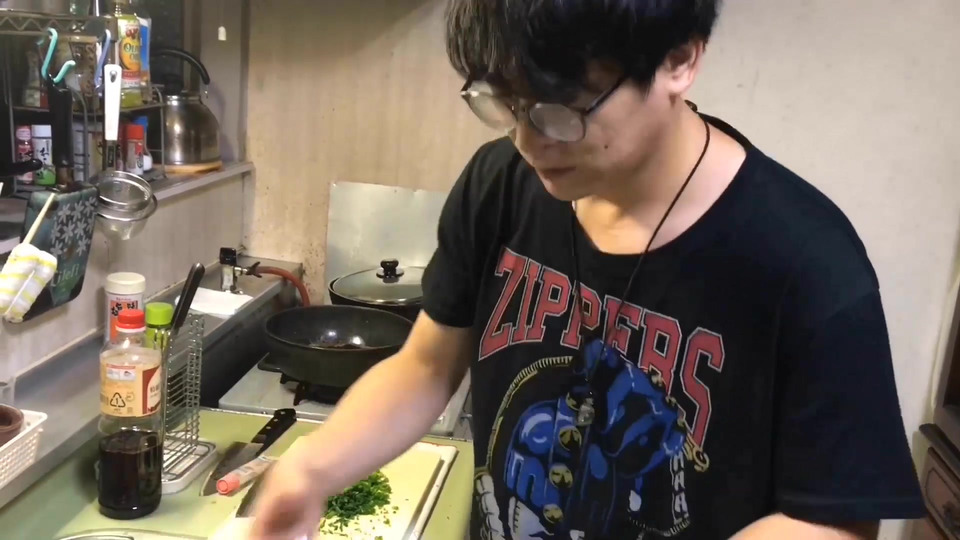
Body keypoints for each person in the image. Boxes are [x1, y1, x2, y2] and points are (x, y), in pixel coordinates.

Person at [250, 1, 926, 538]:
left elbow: (831, 520)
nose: (528, 140)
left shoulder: (807, 263)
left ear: (680, 58)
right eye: (506, 102)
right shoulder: (500, 184)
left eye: (561, 109)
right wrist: (312, 468)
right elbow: (426, 366)